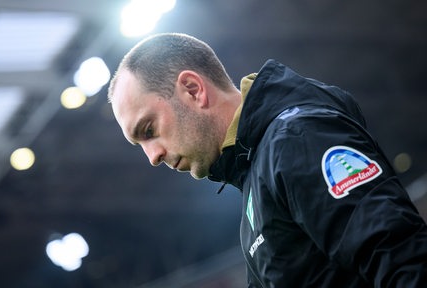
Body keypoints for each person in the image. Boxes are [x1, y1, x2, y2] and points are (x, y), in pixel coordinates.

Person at [107, 33, 427, 287]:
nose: (152, 157)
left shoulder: (298, 139)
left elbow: (403, 259)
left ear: (193, 90)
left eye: (149, 130)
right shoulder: (256, 173)